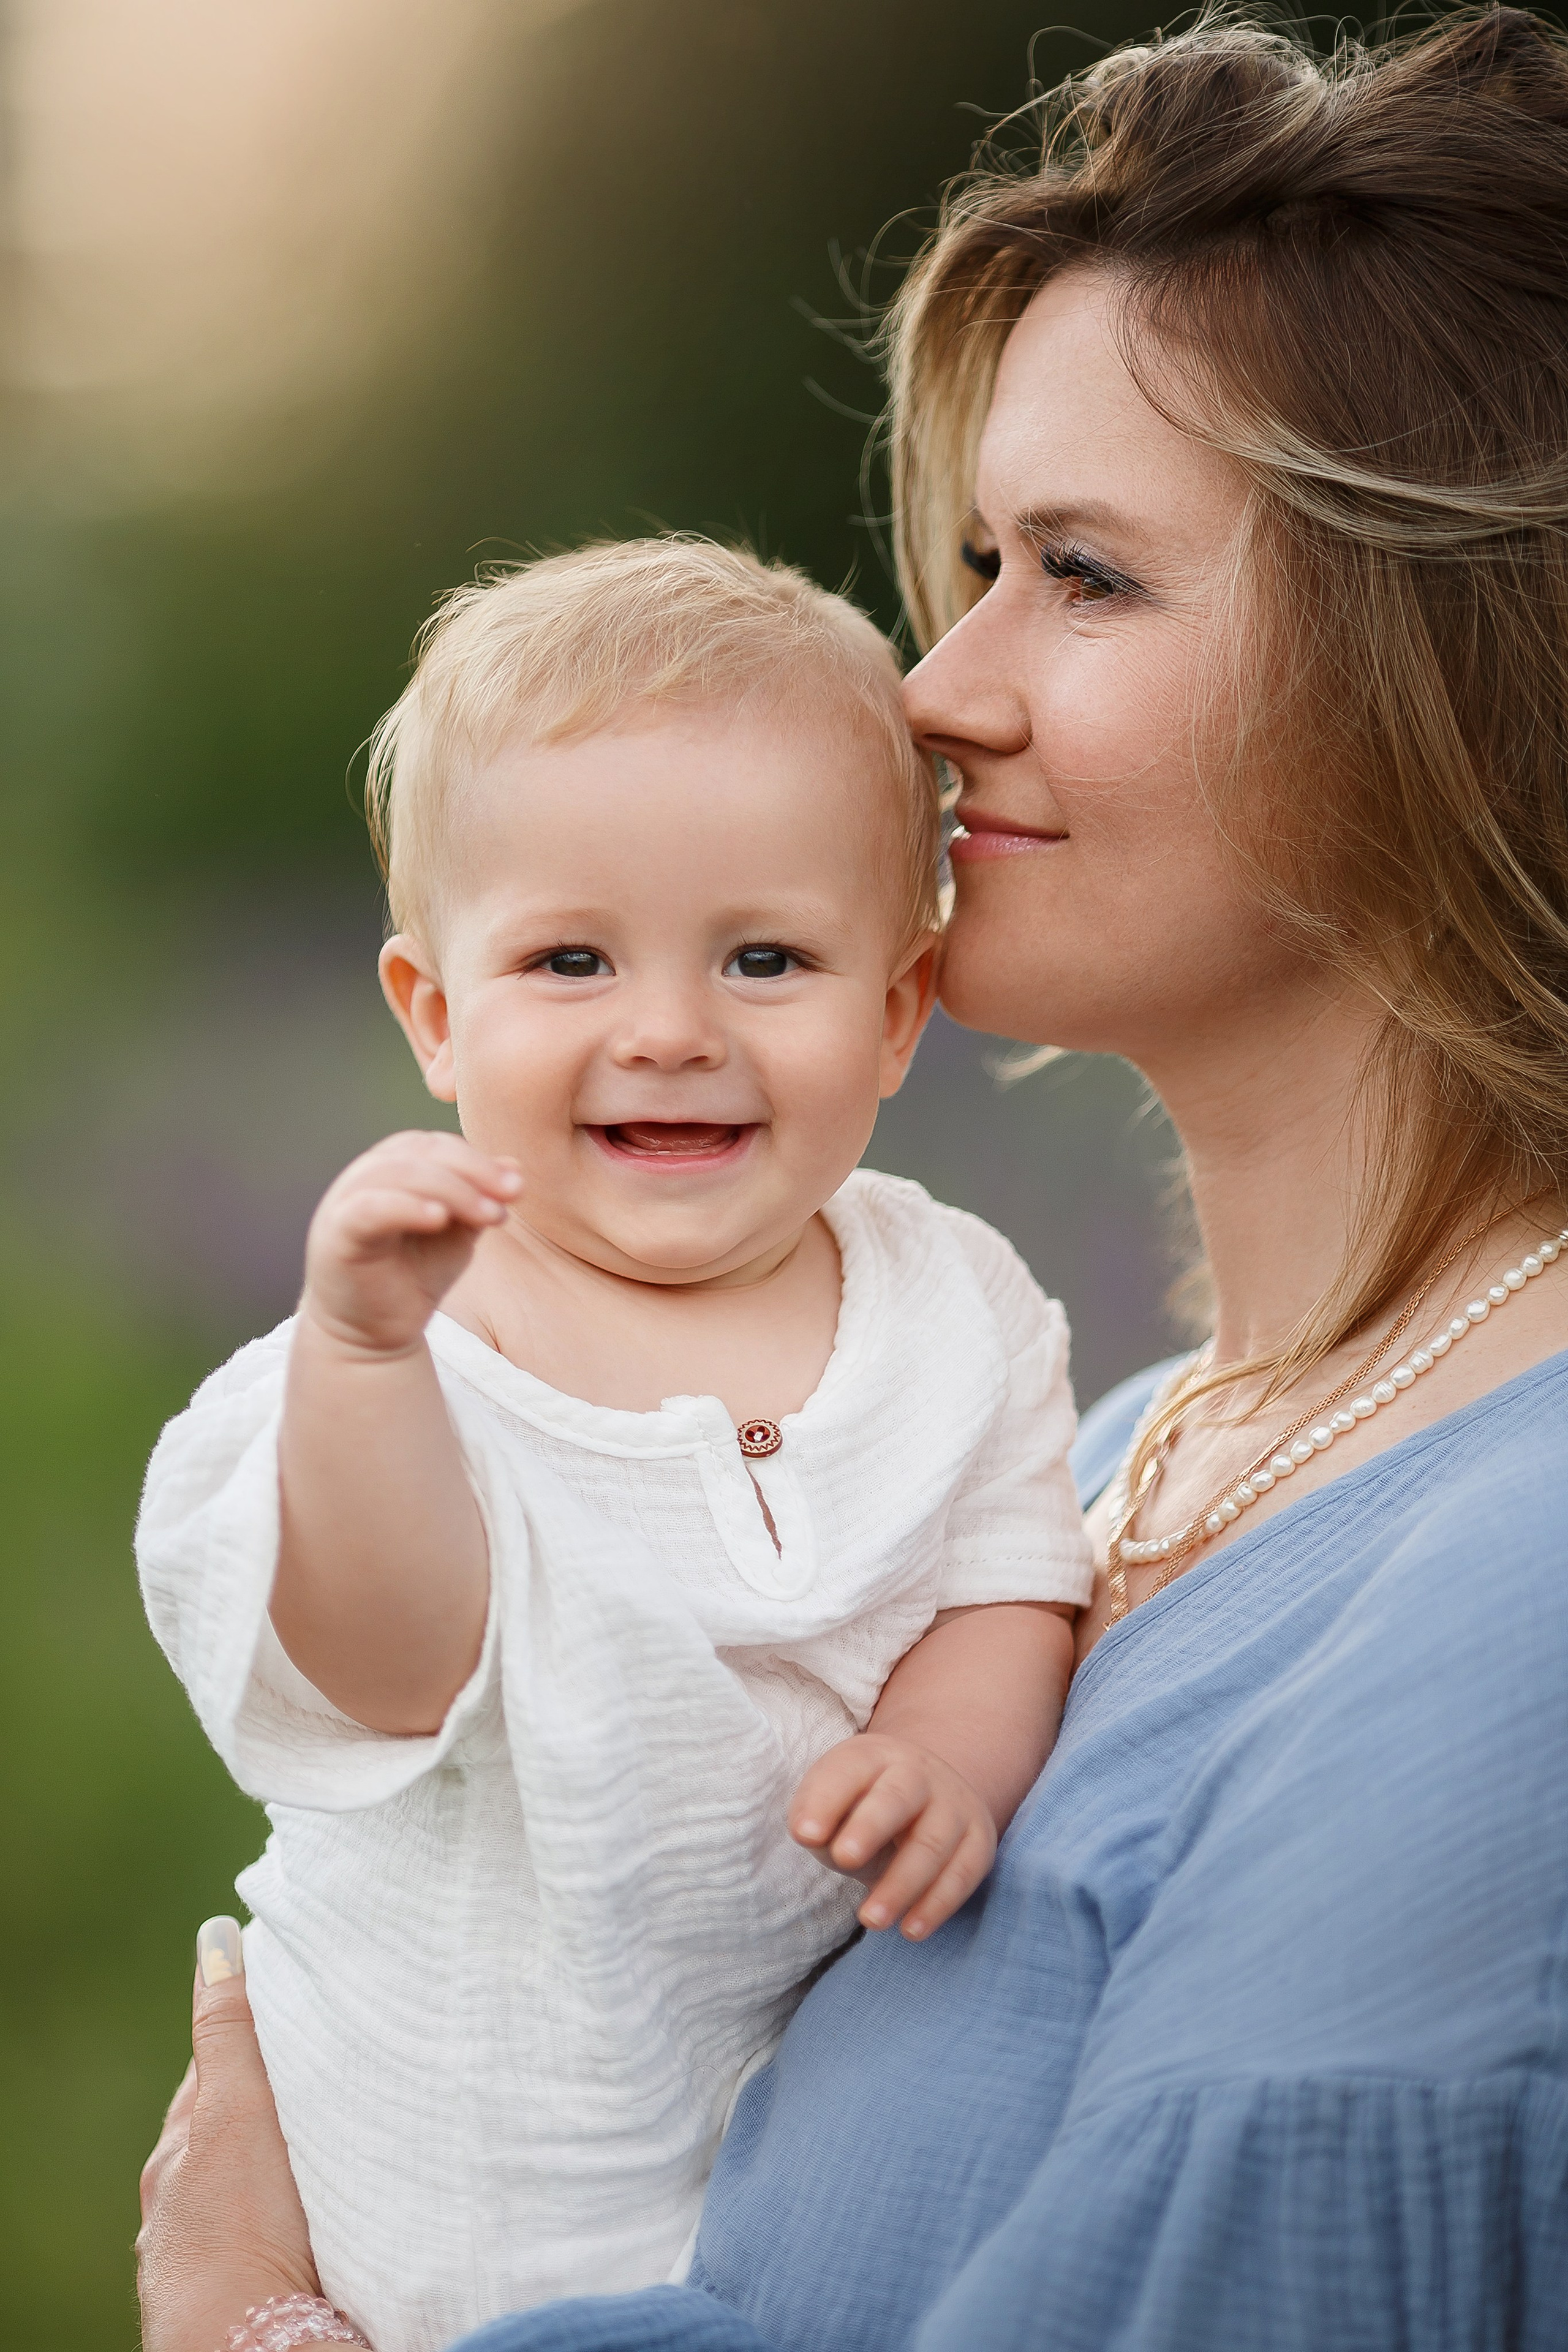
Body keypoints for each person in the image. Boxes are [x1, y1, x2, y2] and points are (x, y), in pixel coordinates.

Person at [138, 10, 1568, 2348]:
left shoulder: (1521, 1600)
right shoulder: (1096, 1458)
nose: (938, 686)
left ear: (1449, 681)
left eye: (1084, 580)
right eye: (980, 559)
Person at [135, 539, 1093, 2351]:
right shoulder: (430, 1347)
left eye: (766, 958)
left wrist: (949, 1754)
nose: (671, 1033)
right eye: (571, 959)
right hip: (436, 2179)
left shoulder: (953, 1304)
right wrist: (362, 1358)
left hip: (778, 2176)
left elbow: (1013, 1578)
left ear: (895, 1014)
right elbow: (394, 1665)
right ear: (436, 1015)